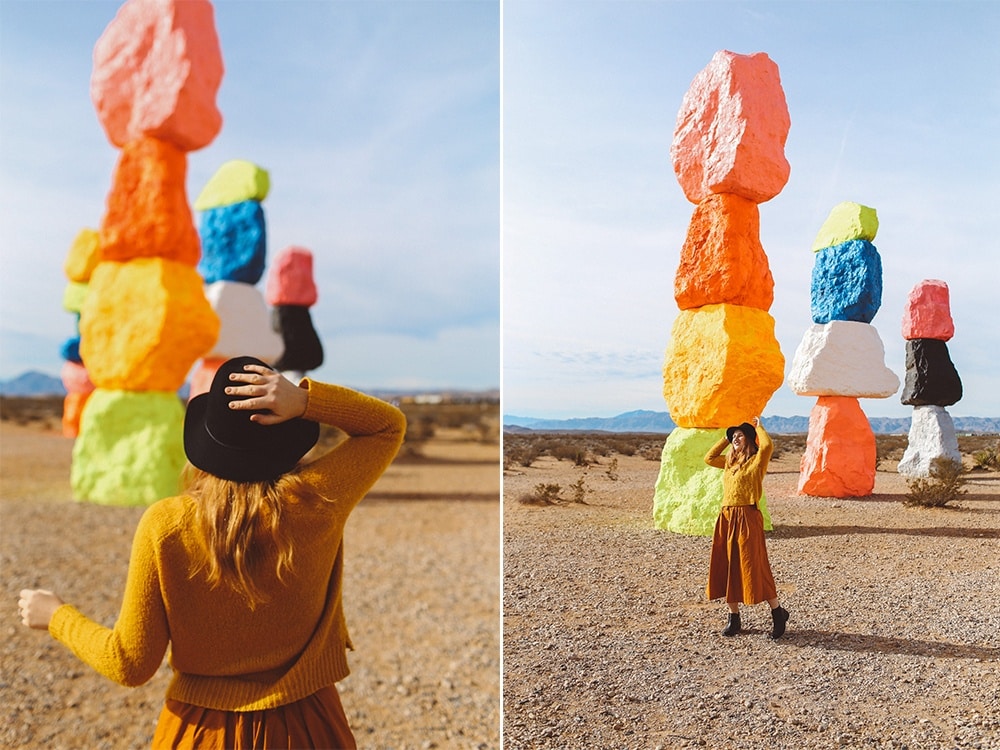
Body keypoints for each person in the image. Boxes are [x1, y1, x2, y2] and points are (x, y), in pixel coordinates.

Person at [18, 356, 406, 748]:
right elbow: (388, 426)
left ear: (205, 439)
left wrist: (56, 616)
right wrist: (305, 400)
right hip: (308, 725)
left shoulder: (166, 526)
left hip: (201, 731)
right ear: (287, 437)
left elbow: (130, 663)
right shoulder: (320, 499)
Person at [703, 416, 789, 639]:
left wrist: (758, 427)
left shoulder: (756, 461)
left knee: (755, 565)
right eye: (733, 436)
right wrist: (724, 437)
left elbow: (768, 445)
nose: (735, 438)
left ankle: (777, 612)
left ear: (750, 440)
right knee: (727, 564)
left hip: (748, 516)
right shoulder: (729, 463)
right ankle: (734, 617)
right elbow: (709, 457)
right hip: (727, 516)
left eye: (740, 435)